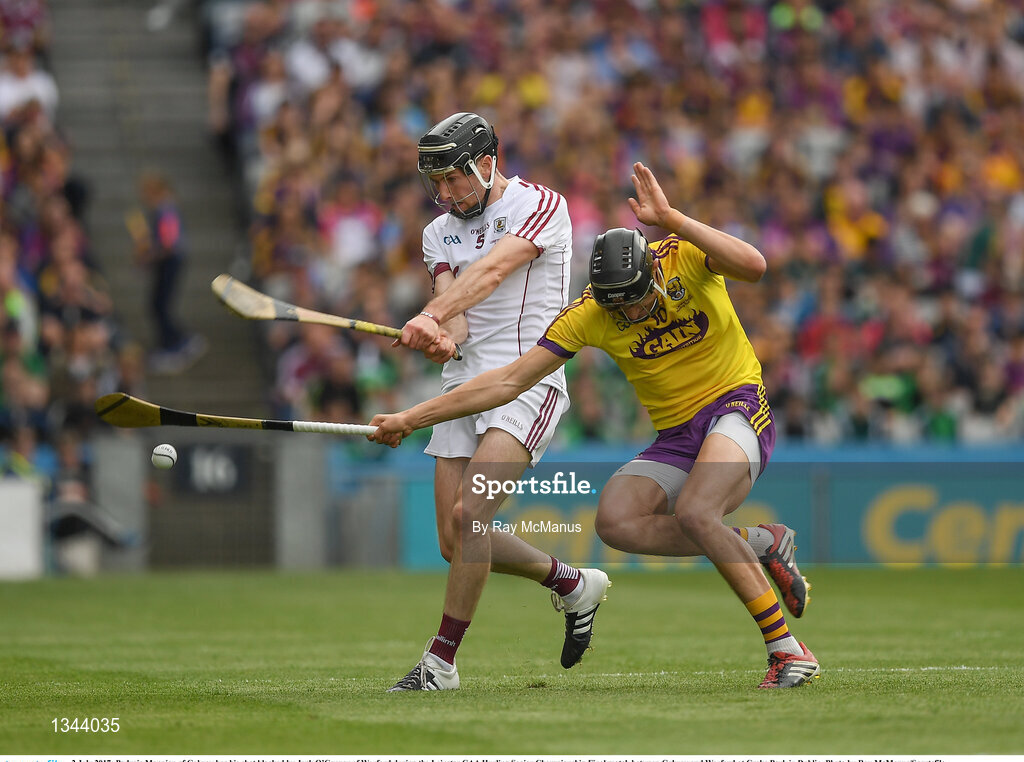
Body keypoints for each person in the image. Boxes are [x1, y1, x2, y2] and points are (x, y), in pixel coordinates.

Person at [371, 162, 817, 689]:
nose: (628, 314)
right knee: (616, 522)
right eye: (616, 306)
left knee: (699, 510)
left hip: (737, 407)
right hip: (677, 435)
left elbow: (756, 265)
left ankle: (788, 651)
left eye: (635, 299)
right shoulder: (591, 312)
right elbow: (508, 381)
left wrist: (672, 218)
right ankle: (760, 543)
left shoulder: (683, 257)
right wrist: (409, 417)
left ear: (653, 270)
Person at [385, 112, 610, 691]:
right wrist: (440, 334)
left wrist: (430, 316)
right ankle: (570, 583)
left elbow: (489, 273)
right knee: (452, 541)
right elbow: (455, 319)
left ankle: (440, 663)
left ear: (487, 163)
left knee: (472, 516)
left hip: (525, 382)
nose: (444, 192)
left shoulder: (541, 205)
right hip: (462, 386)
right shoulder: (438, 233)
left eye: (454, 178)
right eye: (434, 182)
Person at [127, 170, 206, 374]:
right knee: (157, 304)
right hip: (168, 260)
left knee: (159, 304)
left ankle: (178, 341)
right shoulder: (165, 209)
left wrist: (148, 256)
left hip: (171, 261)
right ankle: (171, 342)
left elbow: (169, 242)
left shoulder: (166, 209)